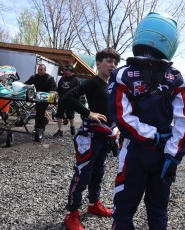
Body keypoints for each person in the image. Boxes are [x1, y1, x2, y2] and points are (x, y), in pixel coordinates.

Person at [108, 12, 185, 230]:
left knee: (124, 211)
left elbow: (121, 116)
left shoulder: (122, 74)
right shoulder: (178, 78)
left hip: (134, 151)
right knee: (157, 213)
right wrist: (172, 154)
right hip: (164, 154)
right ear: (171, 41)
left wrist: (149, 135)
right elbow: (184, 120)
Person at [60, 48, 121, 230]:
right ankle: (72, 214)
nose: (113, 65)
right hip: (90, 137)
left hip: (105, 137)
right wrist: (88, 113)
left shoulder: (111, 85)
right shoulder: (92, 82)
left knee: (98, 173)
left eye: (115, 62)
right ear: (99, 62)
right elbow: (66, 98)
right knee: (83, 174)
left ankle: (94, 204)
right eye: (109, 61)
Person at [24, 64, 57, 140]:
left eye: (41, 70)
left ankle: (39, 128)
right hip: (36, 97)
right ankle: (38, 127)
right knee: (37, 112)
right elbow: (26, 84)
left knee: (40, 111)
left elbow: (54, 89)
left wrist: (51, 100)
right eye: (38, 69)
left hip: (45, 98)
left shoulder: (49, 78)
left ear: (45, 70)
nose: (39, 71)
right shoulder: (34, 77)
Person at [53, 64, 80, 137]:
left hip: (71, 100)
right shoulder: (62, 78)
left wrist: (76, 101)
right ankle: (60, 130)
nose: (64, 71)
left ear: (70, 70)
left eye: (65, 70)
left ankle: (72, 126)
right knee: (59, 115)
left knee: (70, 116)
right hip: (62, 100)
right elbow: (59, 89)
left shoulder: (76, 80)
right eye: (64, 70)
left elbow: (79, 91)